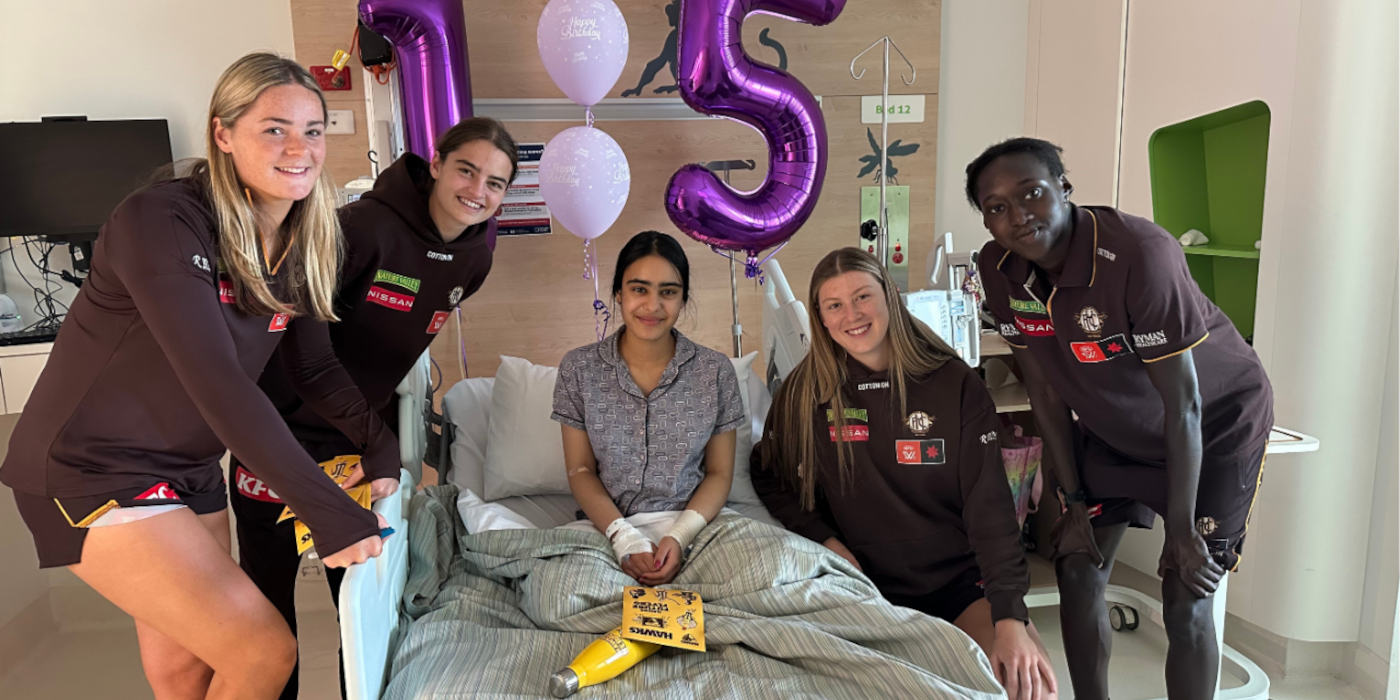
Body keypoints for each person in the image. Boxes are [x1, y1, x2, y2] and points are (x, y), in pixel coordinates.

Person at [0, 53, 387, 699]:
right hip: (92, 468)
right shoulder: (160, 220)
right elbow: (218, 381)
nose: (300, 148)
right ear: (223, 133)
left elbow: (315, 366)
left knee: (190, 670)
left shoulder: (304, 232)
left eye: (313, 130)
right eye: (274, 129)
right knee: (264, 650)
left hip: (188, 470)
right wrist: (327, 511)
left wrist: (380, 445)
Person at [969, 137, 1273, 700]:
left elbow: (1184, 403)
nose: (1017, 215)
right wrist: (1073, 499)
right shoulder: (1000, 270)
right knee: (1077, 567)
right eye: (996, 207)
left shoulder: (1139, 253)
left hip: (1214, 425)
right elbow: (1044, 389)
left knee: (1186, 597)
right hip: (1116, 426)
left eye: (1031, 193)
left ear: (1064, 188)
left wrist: (1181, 530)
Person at [231, 117, 517, 700]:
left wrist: (375, 431)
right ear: (435, 164)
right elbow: (295, 348)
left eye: (496, 183)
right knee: (268, 607)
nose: (477, 191)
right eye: (466, 170)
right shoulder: (357, 230)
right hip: (280, 433)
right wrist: (371, 431)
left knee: (358, 607)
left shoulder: (474, 259)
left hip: (358, 446)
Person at [751, 247, 1058, 700]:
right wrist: (824, 539)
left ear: (889, 295)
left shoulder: (954, 384)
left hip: (955, 581)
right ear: (820, 317)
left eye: (862, 297)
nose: (851, 315)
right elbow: (767, 472)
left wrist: (1011, 618)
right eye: (834, 305)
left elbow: (990, 509)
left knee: (1033, 691)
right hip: (862, 586)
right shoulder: (806, 391)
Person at [552, 231, 745, 586]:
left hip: (698, 529)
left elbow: (719, 473)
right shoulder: (579, 370)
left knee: (770, 575)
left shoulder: (714, 372)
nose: (653, 306)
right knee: (555, 594)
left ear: (683, 299)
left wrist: (680, 535)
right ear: (618, 294)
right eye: (639, 289)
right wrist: (624, 538)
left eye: (668, 292)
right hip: (606, 531)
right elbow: (580, 469)